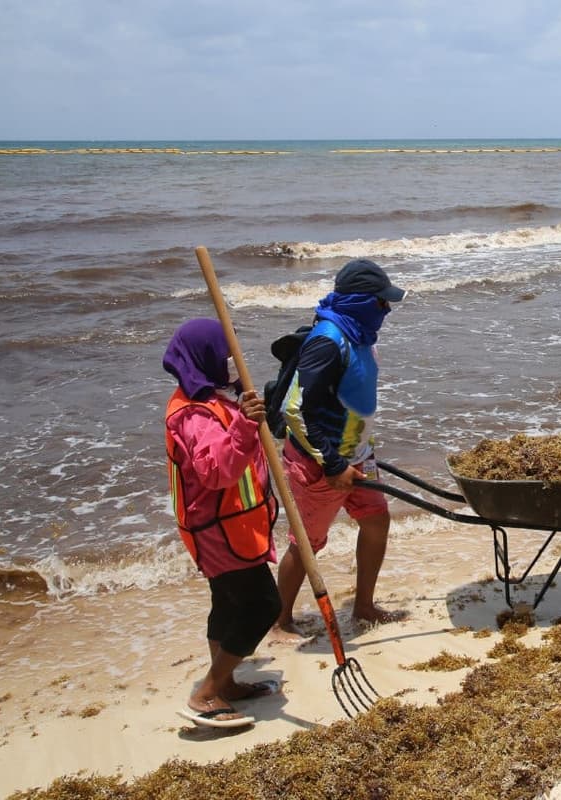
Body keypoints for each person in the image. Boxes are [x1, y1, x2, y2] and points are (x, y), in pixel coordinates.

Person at [274, 258, 409, 635]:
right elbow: (296, 411)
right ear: (361, 302)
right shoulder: (328, 341)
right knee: (306, 544)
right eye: (381, 302)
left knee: (376, 520)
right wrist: (333, 464)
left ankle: (363, 607)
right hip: (320, 465)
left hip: (357, 457)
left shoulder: (360, 335)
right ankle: (279, 621)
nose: (386, 310)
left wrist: (360, 450)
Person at [163, 318, 283, 728]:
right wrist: (246, 424)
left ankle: (226, 682)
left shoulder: (213, 398)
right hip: (218, 530)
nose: (232, 361)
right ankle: (207, 692)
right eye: (224, 354)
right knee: (263, 605)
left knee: (228, 604)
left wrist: (250, 417)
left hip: (231, 525)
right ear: (204, 357)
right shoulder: (193, 416)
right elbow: (216, 473)